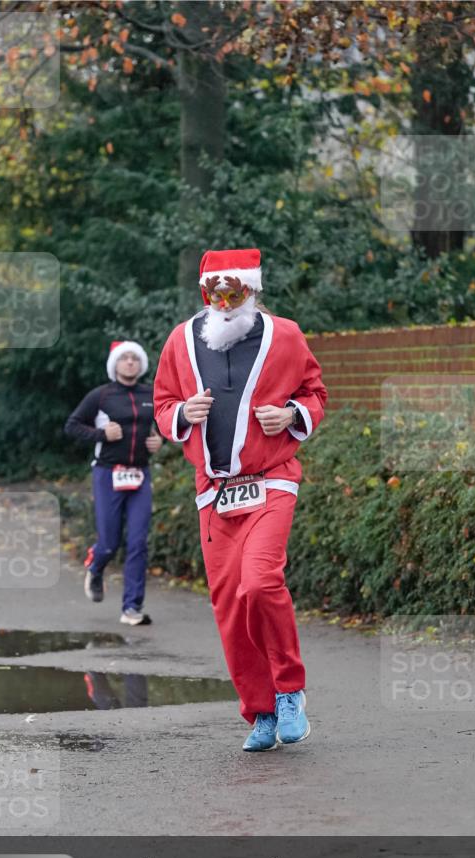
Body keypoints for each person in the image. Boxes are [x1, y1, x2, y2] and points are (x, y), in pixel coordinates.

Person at [154, 248, 327, 751]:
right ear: (204, 293)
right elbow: (163, 402)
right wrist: (184, 412)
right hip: (215, 494)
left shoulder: (285, 336)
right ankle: (262, 713)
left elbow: (316, 391)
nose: (225, 302)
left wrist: (292, 414)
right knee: (229, 607)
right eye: (215, 293)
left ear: (253, 291)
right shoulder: (181, 340)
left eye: (236, 292)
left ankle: (290, 690)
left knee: (259, 582)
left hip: (271, 479)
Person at [64, 341, 163, 625]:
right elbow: (71, 426)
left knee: (138, 542)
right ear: (115, 364)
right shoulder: (101, 395)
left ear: (141, 364)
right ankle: (96, 567)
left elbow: (166, 424)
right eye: (124, 358)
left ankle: (132, 607)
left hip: (140, 474)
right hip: (108, 474)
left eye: (135, 358)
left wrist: (161, 440)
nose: (130, 362)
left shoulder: (151, 395)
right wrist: (100, 434)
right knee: (109, 542)